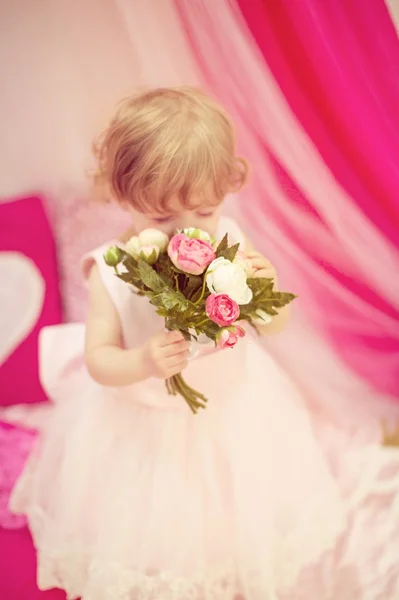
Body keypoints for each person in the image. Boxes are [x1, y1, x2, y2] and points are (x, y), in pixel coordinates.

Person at [10, 87, 355, 600]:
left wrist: (267, 289)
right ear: (124, 200)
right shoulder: (112, 269)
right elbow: (98, 359)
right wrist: (143, 360)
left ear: (224, 196)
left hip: (230, 415)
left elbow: (273, 325)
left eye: (205, 213)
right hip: (145, 431)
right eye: (163, 219)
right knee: (157, 543)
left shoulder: (229, 242)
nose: (187, 235)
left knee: (233, 531)